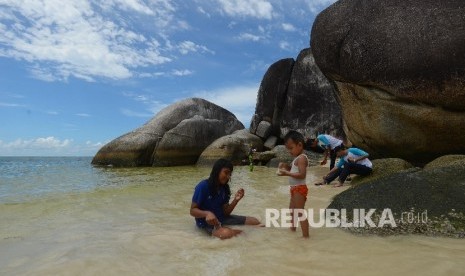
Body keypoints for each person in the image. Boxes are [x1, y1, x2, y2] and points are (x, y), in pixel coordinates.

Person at [190, 158, 261, 239]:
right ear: (217, 171)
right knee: (225, 233)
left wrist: (236, 200)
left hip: (222, 218)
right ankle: (244, 233)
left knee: (255, 221)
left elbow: (226, 213)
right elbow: (192, 211)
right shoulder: (202, 186)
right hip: (206, 223)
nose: (228, 177)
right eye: (226, 172)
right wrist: (207, 214)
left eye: (230, 174)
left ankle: (240, 233)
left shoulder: (224, 189)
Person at [277, 130, 310, 238]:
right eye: (288, 149)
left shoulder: (301, 158)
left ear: (299, 145)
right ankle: (293, 229)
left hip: (299, 188)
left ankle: (306, 236)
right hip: (294, 188)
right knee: (292, 210)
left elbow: (302, 175)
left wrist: (287, 173)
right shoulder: (297, 158)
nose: (289, 151)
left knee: (300, 212)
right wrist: (285, 166)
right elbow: (293, 169)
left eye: (291, 148)